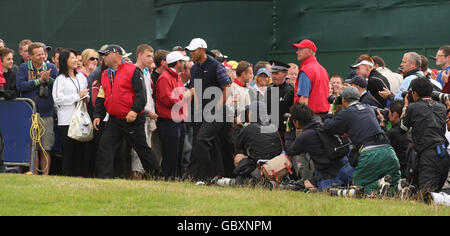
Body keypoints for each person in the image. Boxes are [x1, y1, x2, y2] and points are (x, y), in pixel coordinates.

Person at [93, 44, 161, 179]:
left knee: (142, 149)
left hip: (133, 119)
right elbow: (102, 96)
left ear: (116, 53)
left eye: (105, 54)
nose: (103, 57)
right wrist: (98, 115)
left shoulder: (132, 70)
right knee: (105, 147)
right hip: (114, 119)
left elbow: (142, 95)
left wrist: (134, 111)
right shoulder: (105, 74)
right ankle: (104, 178)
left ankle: (156, 176)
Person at [323, 86, 401, 195]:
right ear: (358, 99)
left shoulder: (347, 113)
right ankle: (399, 187)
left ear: (343, 100)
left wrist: (331, 113)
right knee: (394, 186)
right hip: (389, 151)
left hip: (369, 153)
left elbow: (328, 127)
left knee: (359, 189)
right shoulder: (369, 108)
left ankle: (380, 183)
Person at [184, 38, 233, 183]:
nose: (191, 53)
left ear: (202, 50)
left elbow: (227, 88)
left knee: (203, 140)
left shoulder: (216, 66)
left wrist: (216, 107)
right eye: (190, 50)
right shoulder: (194, 68)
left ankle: (202, 177)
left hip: (216, 112)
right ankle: (216, 176)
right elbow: (196, 90)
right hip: (201, 112)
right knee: (211, 144)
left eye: (194, 50)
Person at [285, 103, 353, 191]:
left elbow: (290, 150)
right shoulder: (322, 125)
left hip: (332, 174)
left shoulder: (306, 135)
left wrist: (288, 132)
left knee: (309, 186)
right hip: (347, 167)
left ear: (296, 121)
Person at [399, 78, 450, 194]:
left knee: (427, 195)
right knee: (434, 193)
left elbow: (402, 129)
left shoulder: (413, 107)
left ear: (414, 93)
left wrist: (405, 106)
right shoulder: (441, 107)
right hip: (443, 154)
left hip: (428, 155)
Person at [16, 42, 58, 175]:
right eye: (38, 54)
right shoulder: (23, 68)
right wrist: (39, 81)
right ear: (30, 56)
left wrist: (48, 79)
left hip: (47, 113)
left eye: (43, 53)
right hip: (29, 114)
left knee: (45, 148)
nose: (42, 56)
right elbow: (20, 86)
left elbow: (57, 85)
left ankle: (45, 178)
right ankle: (34, 176)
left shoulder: (51, 67)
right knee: (32, 148)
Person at [156, 51, 194, 180]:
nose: (184, 64)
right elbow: (169, 100)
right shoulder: (165, 78)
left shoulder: (175, 77)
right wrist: (187, 95)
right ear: (178, 63)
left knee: (178, 153)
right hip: (169, 122)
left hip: (178, 121)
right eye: (183, 61)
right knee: (171, 153)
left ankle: (176, 177)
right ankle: (169, 177)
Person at [52, 49, 89, 177]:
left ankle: (78, 176)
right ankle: (67, 176)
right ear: (64, 61)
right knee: (69, 151)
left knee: (80, 150)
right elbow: (58, 99)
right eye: (71, 58)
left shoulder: (81, 77)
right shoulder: (60, 79)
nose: (75, 60)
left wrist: (85, 97)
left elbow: (85, 93)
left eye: (75, 58)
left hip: (81, 118)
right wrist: (77, 96)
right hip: (66, 120)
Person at [232, 102, 282, 183]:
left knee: (238, 157)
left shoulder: (249, 128)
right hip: (277, 169)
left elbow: (235, 143)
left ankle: (252, 179)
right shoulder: (274, 127)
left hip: (261, 171)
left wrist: (238, 125)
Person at [129, 44, 157, 180]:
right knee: (139, 149)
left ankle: (143, 175)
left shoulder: (146, 72)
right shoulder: (134, 71)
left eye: (152, 56)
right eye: (148, 56)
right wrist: (148, 112)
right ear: (139, 55)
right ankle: (136, 176)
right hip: (139, 116)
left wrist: (152, 116)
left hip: (148, 116)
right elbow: (136, 97)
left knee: (147, 148)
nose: (151, 59)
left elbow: (149, 97)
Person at [292, 39, 330, 118]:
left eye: (300, 49)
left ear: (309, 51)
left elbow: (303, 101)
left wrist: (299, 120)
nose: (297, 52)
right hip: (324, 117)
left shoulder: (306, 70)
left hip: (310, 117)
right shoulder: (322, 69)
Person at [377, 101, 412, 178]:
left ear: (395, 114)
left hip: (400, 172)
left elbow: (380, 142)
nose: (388, 115)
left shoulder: (395, 132)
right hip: (409, 168)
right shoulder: (408, 129)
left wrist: (382, 123)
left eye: (389, 112)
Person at [265, 60, 294, 141]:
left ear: (285, 74)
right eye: (272, 73)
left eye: (276, 73)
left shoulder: (290, 90)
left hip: (284, 132)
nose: (273, 76)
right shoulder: (268, 89)